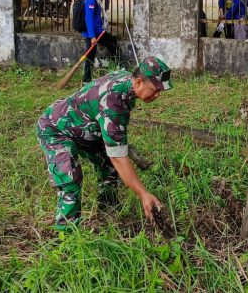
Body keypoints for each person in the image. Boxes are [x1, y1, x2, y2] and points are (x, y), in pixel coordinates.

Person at [36, 57, 173, 230]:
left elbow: (114, 133)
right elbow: (118, 157)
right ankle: (66, 238)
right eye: (155, 90)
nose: (158, 94)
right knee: (70, 180)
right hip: (56, 129)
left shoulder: (126, 80)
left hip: (87, 129)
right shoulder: (113, 103)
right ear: (138, 82)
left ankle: (108, 213)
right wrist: (143, 194)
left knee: (108, 166)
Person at [81, 0, 119, 83]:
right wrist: (93, 36)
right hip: (94, 32)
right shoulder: (90, 0)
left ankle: (87, 78)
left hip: (96, 31)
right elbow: (88, 19)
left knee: (92, 55)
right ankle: (118, 66)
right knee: (111, 42)